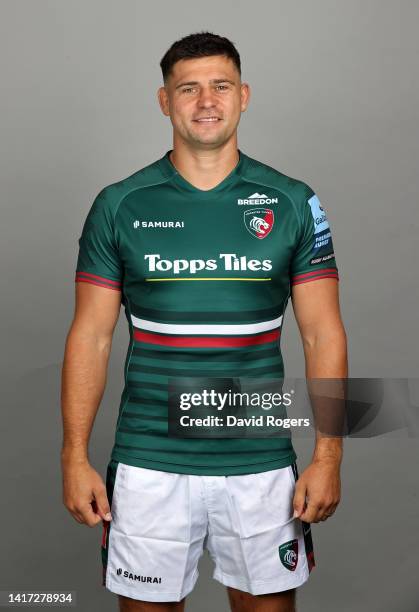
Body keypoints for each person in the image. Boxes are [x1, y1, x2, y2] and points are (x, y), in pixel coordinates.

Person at [61, 31, 347, 612]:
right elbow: (90, 336)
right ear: (164, 101)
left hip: (261, 462)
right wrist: (74, 455)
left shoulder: (292, 201)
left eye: (219, 86)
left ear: (243, 96)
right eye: (187, 88)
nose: (205, 101)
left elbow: (323, 333)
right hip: (147, 461)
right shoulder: (120, 204)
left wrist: (327, 456)